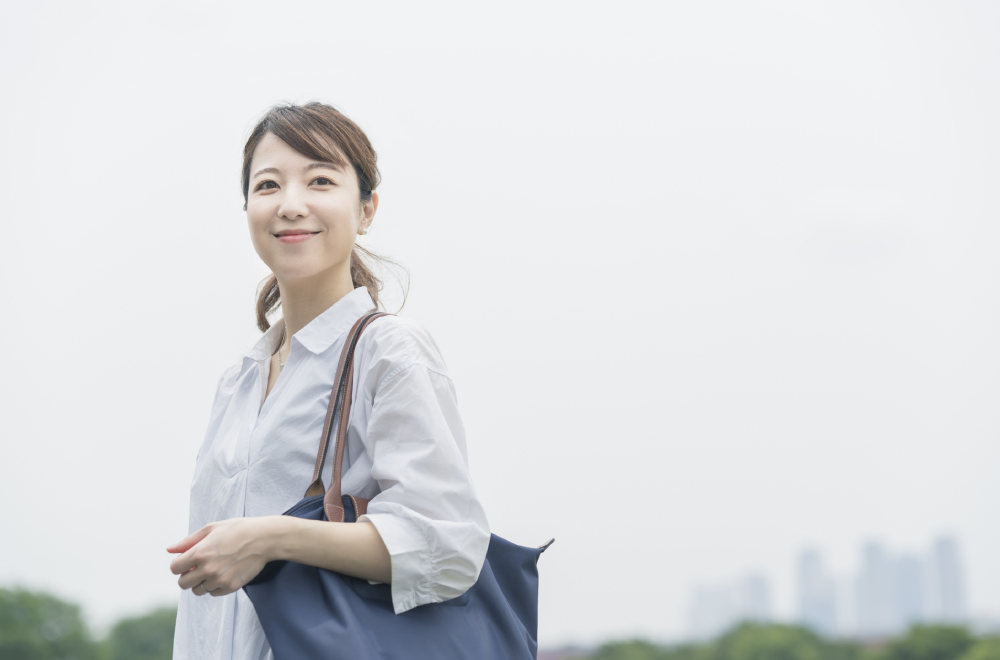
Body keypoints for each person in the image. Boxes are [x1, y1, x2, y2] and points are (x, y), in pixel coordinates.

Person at [168, 102, 490, 660]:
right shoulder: (238, 381)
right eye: (268, 185)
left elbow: (449, 546)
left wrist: (269, 537)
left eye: (320, 180)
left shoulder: (388, 350)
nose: (291, 204)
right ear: (247, 208)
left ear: (366, 209)